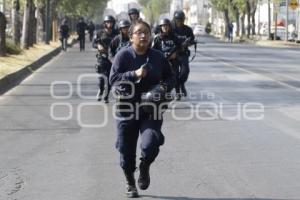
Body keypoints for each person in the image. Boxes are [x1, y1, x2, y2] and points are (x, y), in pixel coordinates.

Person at [109, 20, 174, 198]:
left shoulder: (158, 57)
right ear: (131, 37)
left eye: (146, 32)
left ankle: (145, 165)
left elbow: (171, 78)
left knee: (150, 142)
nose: (143, 35)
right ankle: (130, 182)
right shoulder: (123, 56)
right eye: (139, 32)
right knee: (125, 149)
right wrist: (134, 74)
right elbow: (113, 80)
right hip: (126, 108)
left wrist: (163, 88)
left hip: (151, 108)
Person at [152, 18, 182, 100]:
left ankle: (178, 93)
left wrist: (175, 54)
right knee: (162, 79)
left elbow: (180, 47)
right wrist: (160, 56)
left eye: (167, 26)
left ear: (169, 27)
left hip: (173, 61)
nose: (165, 27)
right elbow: (153, 50)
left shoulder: (174, 37)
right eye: (163, 26)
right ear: (160, 27)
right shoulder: (157, 38)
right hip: (162, 61)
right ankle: (164, 94)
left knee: (175, 77)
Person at [93, 15, 118, 103]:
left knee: (110, 78)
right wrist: (98, 45)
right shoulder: (100, 33)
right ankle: (100, 90)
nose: (109, 24)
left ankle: (106, 96)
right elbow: (94, 43)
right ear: (105, 23)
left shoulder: (117, 33)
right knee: (101, 78)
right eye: (107, 22)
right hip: (102, 58)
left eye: (111, 22)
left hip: (113, 58)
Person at [172, 10, 195, 98]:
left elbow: (192, 40)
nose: (180, 22)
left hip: (183, 53)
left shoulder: (188, 29)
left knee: (185, 72)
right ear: (175, 20)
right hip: (173, 54)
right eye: (178, 20)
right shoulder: (171, 29)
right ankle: (177, 91)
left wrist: (189, 43)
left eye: (181, 20)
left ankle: (182, 84)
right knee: (174, 74)